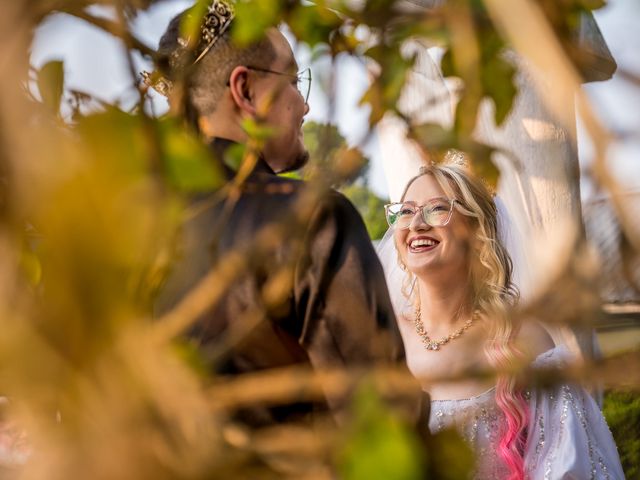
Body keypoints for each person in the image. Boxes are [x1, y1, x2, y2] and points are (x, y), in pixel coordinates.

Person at [148, 1, 405, 427]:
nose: (304, 106)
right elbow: (381, 415)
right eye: (292, 80)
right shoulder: (310, 220)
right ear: (245, 91)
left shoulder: (122, 235)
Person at [377, 156, 624, 479]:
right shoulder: (378, 340)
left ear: (477, 230)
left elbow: (568, 468)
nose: (416, 223)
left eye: (437, 208)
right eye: (406, 211)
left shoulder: (525, 344)